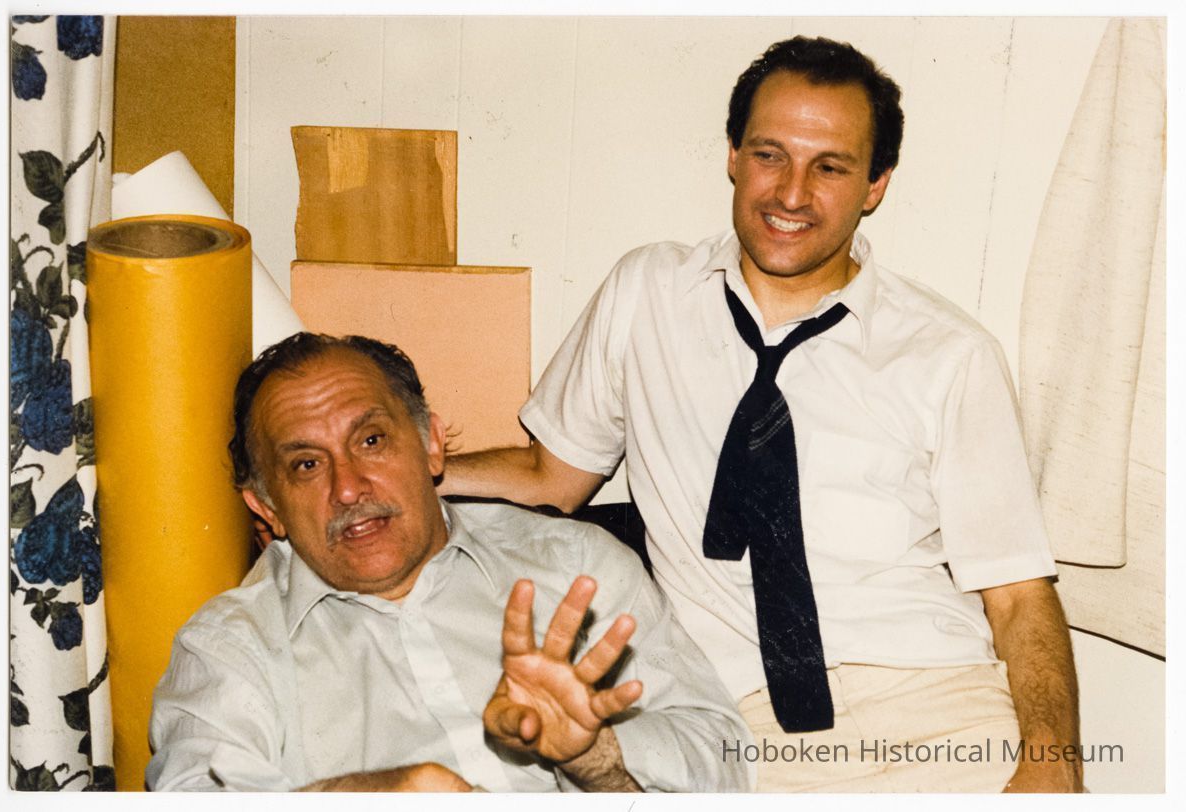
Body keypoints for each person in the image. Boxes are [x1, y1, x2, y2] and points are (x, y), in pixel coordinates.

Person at [440, 36, 1082, 793]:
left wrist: (1053, 765)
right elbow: (553, 477)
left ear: (875, 184)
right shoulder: (647, 294)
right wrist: (409, 475)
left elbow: (1017, 593)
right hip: (733, 727)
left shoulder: (949, 353)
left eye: (830, 167)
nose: (790, 194)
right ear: (733, 156)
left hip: (938, 709)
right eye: (770, 154)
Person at [146, 333, 751, 792]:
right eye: (306, 464)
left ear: (432, 444)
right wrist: (374, 795)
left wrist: (594, 754)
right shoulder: (227, 649)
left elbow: (728, 757)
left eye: (371, 441)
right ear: (266, 506)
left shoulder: (574, 566)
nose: (349, 487)